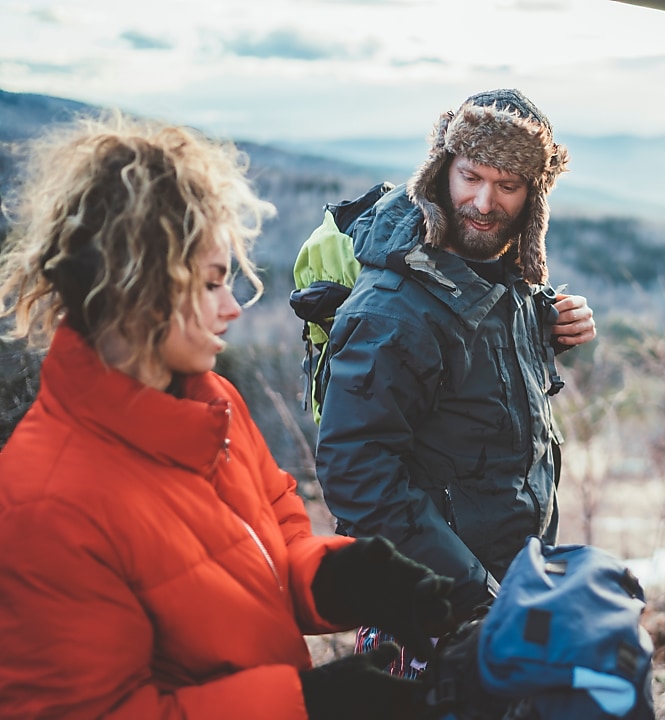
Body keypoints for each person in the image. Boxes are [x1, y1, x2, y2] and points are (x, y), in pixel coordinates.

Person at [0, 112, 458, 719]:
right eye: (213, 283)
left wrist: (343, 579)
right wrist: (309, 706)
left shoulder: (210, 404)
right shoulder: (44, 504)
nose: (231, 308)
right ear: (139, 289)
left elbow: (268, 549)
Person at [309, 89, 596, 673]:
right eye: (470, 177)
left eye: (508, 185)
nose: (484, 202)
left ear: (534, 196)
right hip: (434, 609)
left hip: (505, 585)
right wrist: (473, 599)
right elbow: (357, 475)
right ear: (441, 171)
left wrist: (549, 325)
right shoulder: (392, 306)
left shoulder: (500, 277)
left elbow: (474, 393)